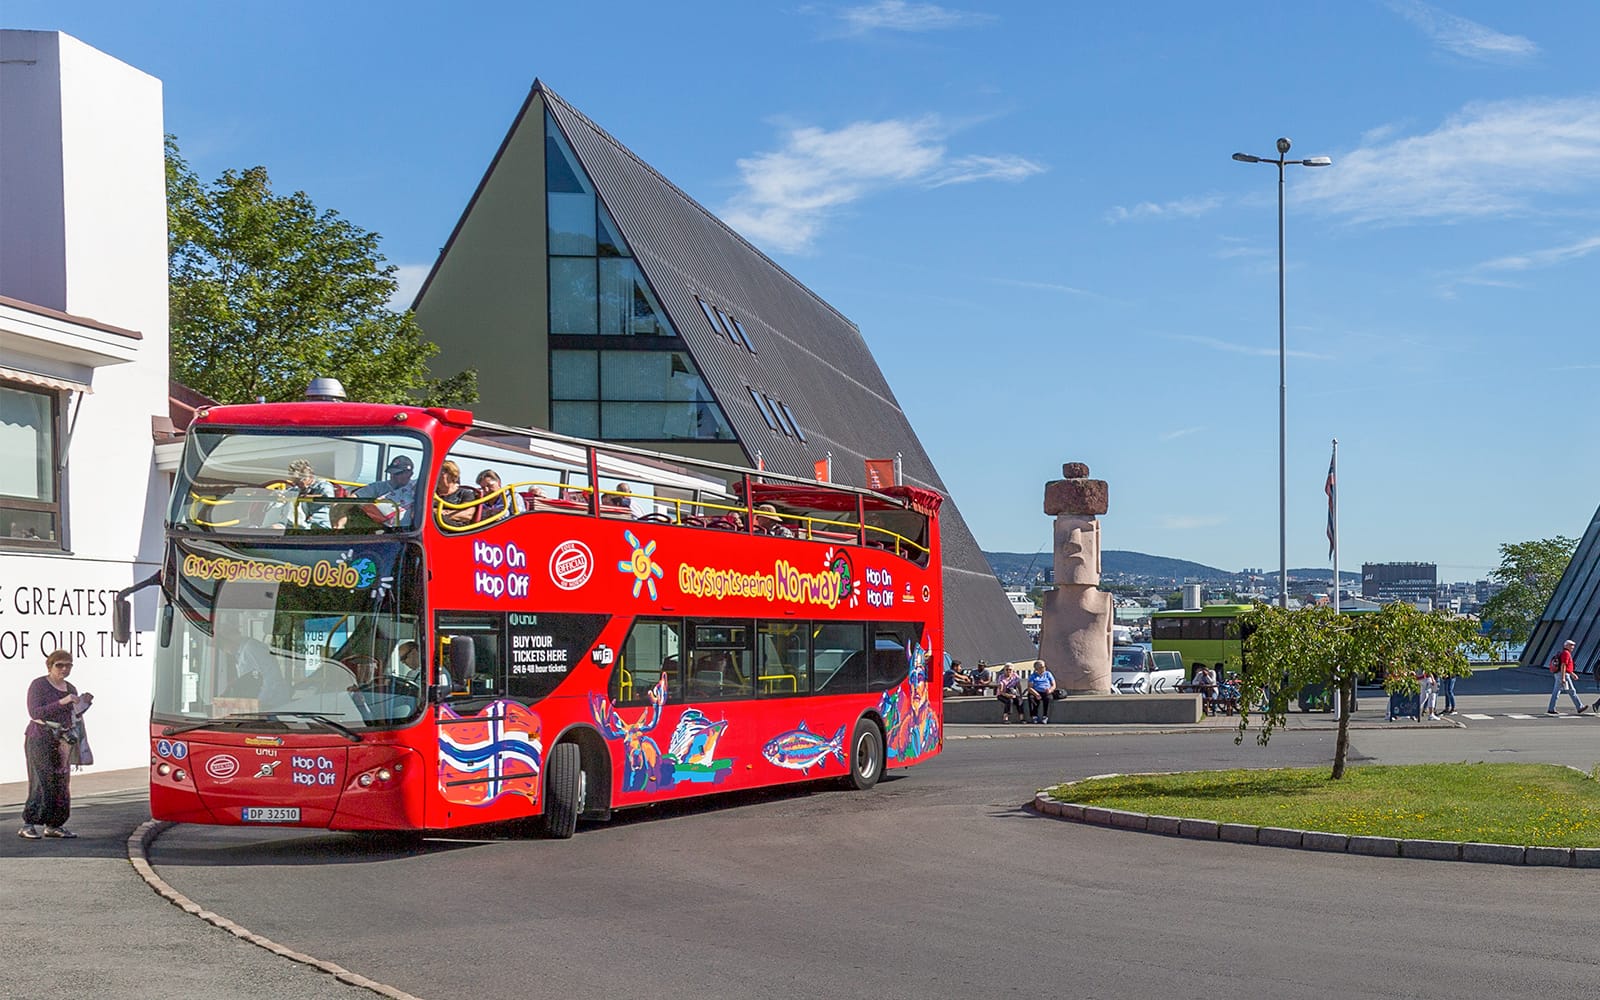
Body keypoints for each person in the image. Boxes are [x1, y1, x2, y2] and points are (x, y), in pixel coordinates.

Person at [20, 649, 92, 839]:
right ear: (50, 666)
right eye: (59, 665)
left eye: (68, 665)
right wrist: (62, 702)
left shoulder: (70, 687)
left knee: (61, 782)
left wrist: (81, 705)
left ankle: (55, 824)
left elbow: (73, 715)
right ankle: (29, 823)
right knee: (41, 780)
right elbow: (35, 712)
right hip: (40, 737)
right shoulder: (39, 685)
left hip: (62, 739)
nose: (64, 669)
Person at [219, 625, 292, 709]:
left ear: (230, 637)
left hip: (273, 705)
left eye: (222, 645)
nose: (224, 650)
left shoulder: (252, 648)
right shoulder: (240, 653)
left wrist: (259, 702)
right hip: (263, 706)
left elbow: (271, 678)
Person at [343, 454, 418, 528]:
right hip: (378, 530)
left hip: (405, 533)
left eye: (397, 473)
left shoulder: (417, 490)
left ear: (410, 474)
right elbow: (353, 498)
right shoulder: (378, 487)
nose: (393, 476)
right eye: (391, 473)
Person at [278, 459, 338, 529]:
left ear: (310, 477)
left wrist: (306, 497)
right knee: (275, 528)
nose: (296, 484)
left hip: (319, 525)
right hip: (301, 525)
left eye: (298, 481)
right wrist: (279, 495)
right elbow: (287, 492)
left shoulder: (323, 485)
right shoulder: (298, 488)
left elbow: (329, 499)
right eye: (294, 481)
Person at [1548, 639, 1588, 716]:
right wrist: (1563, 678)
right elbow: (1563, 665)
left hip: (1560, 674)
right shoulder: (1566, 653)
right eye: (1571, 645)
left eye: (1573, 645)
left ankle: (1551, 708)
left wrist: (1572, 674)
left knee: (1556, 691)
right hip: (1563, 675)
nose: (1573, 647)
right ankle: (1580, 707)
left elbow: (1566, 666)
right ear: (1566, 646)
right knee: (1572, 691)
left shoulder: (1564, 653)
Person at [434, 460, 479, 526]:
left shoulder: (465, 493)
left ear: (452, 475)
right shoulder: (432, 493)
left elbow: (467, 515)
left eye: (440, 472)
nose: (436, 476)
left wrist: (439, 513)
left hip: (452, 529)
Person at [1025, 660, 1057, 724]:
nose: (1044, 668)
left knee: (1048, 698)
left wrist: (1050, 690)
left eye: (1044, 666)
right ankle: (1034, 716)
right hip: (1036, 691)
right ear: (1037, 668)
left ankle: (1045, 716)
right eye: (1042, 667)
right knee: (1031, 698)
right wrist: (1036, 694)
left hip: (1046, 691)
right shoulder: (1033, 676)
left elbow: (1054, 685)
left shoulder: (1048, 674)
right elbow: (1030, 688)